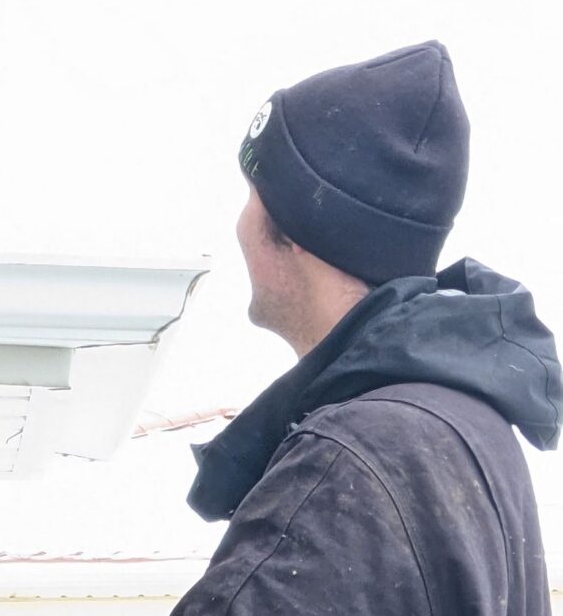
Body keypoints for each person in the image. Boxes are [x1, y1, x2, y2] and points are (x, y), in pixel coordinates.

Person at [171, 41, 560, 615]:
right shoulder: (469, 423)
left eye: (252, 195)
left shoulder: (346, 465)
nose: (239, 224)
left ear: (297, 226)